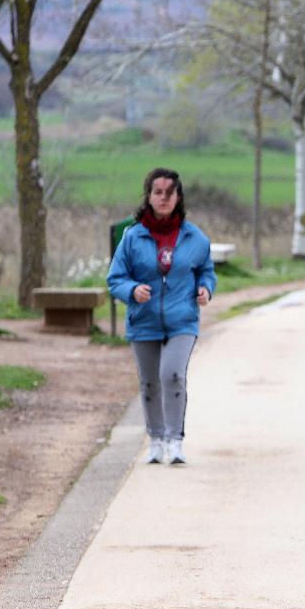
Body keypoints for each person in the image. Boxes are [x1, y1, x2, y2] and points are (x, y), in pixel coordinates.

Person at [108, 167, 217, 466]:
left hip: (182, 320)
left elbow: (206, 272)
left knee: (172, 374)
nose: (164, 197)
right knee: (149, 382)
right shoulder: (132, 237)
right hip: (143, 322)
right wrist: (132, 290)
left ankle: (175, 440)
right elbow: (115, 278)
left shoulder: (195, 238)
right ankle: (155, 441)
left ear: (178, 197)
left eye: (170, 192)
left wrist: (206, 289)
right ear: (149, 196)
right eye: (158, 192)